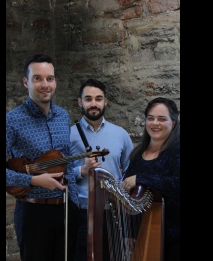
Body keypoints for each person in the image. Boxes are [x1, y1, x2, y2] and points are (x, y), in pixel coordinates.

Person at [6, 54, 79, 261]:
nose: (45, 84)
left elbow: (68, 162)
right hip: (33, 212)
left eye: (50, 78)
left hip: (66, 210)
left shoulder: (63, 116)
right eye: (37, 78)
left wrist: (74, 204)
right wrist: (33, 180)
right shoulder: (12, 120)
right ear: (26, 82)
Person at [70, 78, 135, 261]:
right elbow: (61, 174)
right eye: (88, 98)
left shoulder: (120, 134)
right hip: (82, 211)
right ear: (79, 102)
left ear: (105, 101)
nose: (93, 104)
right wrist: (82, 170)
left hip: (113, 211)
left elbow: (130, 169)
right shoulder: (70, 134)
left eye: (98, 99)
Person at [122, 97, 180, 261]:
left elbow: (176, 184)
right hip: (142, 234)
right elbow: (129, 198)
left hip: (174, 238)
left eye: (162, 119)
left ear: (173, 123)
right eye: (151, 118)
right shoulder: (137, 155)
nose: (155, 123)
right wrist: (129, 233)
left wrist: (142, 178)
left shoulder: (176, 152)